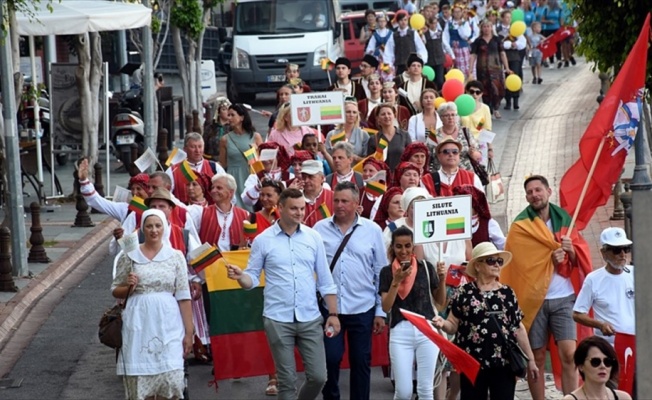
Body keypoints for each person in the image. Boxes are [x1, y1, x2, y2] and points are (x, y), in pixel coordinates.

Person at [226, 188, 341, 400]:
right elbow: (250, 280)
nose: (299, 213)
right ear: (280, 208)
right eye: (293, 208)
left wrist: (333, 313)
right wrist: (241, 276)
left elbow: (325, 279)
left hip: (309, 317)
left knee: (319, 377)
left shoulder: (313, 237)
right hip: (278, 318)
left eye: (302, 208)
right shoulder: (263, 240)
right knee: (287, 382)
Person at [501, 175, 592, 400]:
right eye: (530, 192)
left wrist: (571, 251)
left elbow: (581, 257)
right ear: (526, 197)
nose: (535, 195)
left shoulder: (565, 221)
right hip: (534, 301)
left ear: (549, 192)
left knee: (570, 355)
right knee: (537, 357)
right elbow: (519, 266)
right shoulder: (520, 227)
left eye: (538, 190)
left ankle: (571, 397)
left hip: (564, 297)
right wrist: (548, 260)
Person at [433, 242, 539, 399]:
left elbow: (518, 328)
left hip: (503, 363)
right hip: (471, 364)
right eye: (491, 260)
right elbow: (453, 325)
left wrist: (531, 360)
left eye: (499, 261)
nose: (496, 265)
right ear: (477, 266)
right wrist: (442, 324)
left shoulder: (507, 293)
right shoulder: (464, 292)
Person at [313, 181, 388, 400]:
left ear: (356, 204)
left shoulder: (373, 230)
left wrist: (380, 312)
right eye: (335, 200)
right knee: (330, 358)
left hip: (362, 307)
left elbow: (380, 273)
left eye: (344, 201)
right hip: (330, 309)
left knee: (361, 361)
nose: (339, 205)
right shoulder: (319, 229)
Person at [111, 209, 194, 400]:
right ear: (142, 229)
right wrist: (129, 286)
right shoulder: (129, 255)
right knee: (141, 382)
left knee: (171, 379)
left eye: (158, 225)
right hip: (139, 322)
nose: (154, 230)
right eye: (149, 226)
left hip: (168, 322)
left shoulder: (175, 256)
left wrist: (189, 332)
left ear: (164, 227)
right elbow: (116, 290)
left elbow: (183, 296)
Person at [379, 226, 441, 400]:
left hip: (426, 330)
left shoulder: (426, 268)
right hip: (400, 332)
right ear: (393, 247)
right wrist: (396, 281)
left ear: (413, 246)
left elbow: (441, 302)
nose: (404, 251)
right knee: (404, 392)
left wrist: (442, 279)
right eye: (399, 246)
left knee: (425, 390)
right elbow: (386, 306)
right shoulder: (386, 272)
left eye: (408, 246)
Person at [573, 227, 635, 345]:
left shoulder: (636, 274)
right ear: (604, 252)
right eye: (617, 250)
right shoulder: (593, 279)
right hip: (608, 346)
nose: (622, 254)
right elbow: (577, 314)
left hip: (637, 343)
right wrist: (600, 325)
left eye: (626, 249)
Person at [188, 173, 250, 251]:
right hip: (210, 262)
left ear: (231, 192)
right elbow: (180, 209)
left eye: (219, 188)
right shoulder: (201, 212)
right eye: (212, 187)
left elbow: (249, 243)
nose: (213, 191)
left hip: (235, 261)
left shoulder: (245, 215)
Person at [219, 104, 264, 209]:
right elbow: (223, 163)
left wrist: (255, 151)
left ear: (242, 117)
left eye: (232, 115)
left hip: (250, 176)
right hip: (233, 178)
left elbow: (263, 161)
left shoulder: (255, 136)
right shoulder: (225, 139)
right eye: (228, 115)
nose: (229, 118)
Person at [562, 336, 632, 400]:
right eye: (595, 362)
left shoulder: (623, 398)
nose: (603, 366)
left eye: (607, 362)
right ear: (581, 366)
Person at [167, 132, 226, 204]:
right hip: (182, 213)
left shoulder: (215, 168)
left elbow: (226, 191)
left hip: (209, 213)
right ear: (185, 149)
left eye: (200, 146)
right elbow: (166, 194)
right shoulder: (173, 171)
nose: (197, 151)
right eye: (193, 147)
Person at [469, 18, 511, 119]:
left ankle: (496, 108)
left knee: (497, 90)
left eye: (488, 26)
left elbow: (502, 54)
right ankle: (488, 109)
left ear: (491, 28)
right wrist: (470, 69)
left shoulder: (497, 39)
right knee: (485, 90)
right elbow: (473, 55)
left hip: (495, 69)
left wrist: (507, 67)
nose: (486, 29)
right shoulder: (478, 41)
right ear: (481, 28)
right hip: (482, 69)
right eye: (484, 27)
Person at [241, 142, 291, 210]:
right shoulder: (255, 177)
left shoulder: (290, 176)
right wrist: (257, 187)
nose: (266, 160)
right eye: (264, 156)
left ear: (277, 157)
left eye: (270, 156)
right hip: (262, 217)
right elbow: (247, 201)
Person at [453, 184, 505, 249]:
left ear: (474, 204)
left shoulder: (488, 223)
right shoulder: (453, 224)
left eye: (463, 203)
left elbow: (502, 245)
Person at [433, 102, 481, 171]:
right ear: (441, 118)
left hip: (465, 173)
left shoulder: (465, 131)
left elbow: (478, 155)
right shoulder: (434, 134)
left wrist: (472, 153)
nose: (450, 118)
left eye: (453, 115)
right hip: (441, 174)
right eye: (447, 115)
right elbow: (428, 156)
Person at [367, 103, 412, 172]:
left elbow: (410, 158)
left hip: (401, 176)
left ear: (394, 116)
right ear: (378, 118)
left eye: (389, 113)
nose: (386, 116)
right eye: (383, 114)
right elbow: (370, 163)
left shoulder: (404, 135)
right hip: (382, 178)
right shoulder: (374, 139)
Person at [459, 80, 493, 165]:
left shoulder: (485, 108)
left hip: (480, 143)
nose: (474, 94)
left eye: (478, 92)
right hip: (464, 143)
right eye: (472, 91)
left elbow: (487, 129)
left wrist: (490, 148)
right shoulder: (460, 107)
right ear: (466, 91)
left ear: (481, 94)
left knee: (481, 171)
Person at [424, 16, 455, 91]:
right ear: (429, 24)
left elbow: (446, 45)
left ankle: (441, 92)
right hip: (430, 60)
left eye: (435, 23)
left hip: (439, 59)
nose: (434, 25)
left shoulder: (440, 33)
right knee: (431, 80)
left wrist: (452, 55)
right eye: (432, 23)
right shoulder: (425, 34)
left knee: (440, 80)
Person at [301, 159, 334, 228]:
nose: (306, 180)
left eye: (311, 177)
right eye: (304, 177)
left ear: (322, 178)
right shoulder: (295, 198)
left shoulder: (333, 197)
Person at [447, 3, 474, 77]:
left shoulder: (465, 23)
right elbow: (446, 36)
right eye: (455, 12)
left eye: (459, 12)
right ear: (452, 13)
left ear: (462, 12)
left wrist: (460, 26)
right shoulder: (449, 23)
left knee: (464, 70)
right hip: (452, 49)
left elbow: (465, 36)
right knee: (453, 69)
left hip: (462, 49)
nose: (457, 14)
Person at [203, 96, 231, 161]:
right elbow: (204, 146)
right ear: (218, 112)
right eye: (224, 109)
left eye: (228, 109)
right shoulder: (210, 128)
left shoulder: (232, 127)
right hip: (212, 161)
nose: (227, 112)